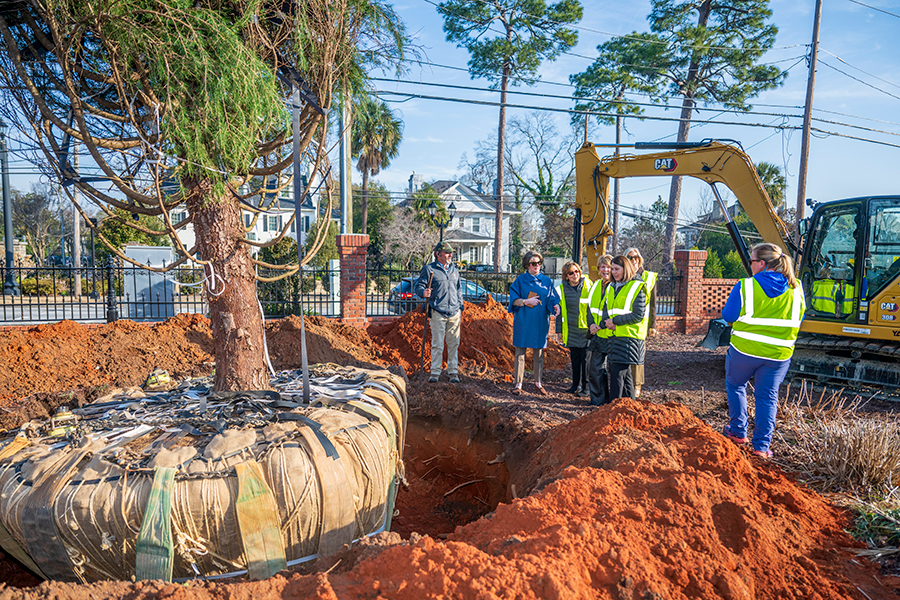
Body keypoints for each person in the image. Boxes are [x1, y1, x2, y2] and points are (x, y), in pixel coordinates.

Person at [721, 243, 805, 459]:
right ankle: (761, 448)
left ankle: (738, 432)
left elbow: (729, 316)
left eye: (751, 261)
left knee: (736, 385)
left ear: (762, 263)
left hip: (744, 350)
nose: (750, 265)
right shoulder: (797, 289)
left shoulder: (746, 286)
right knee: (767, 397)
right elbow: (800, 318)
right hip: (779, 355)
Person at [508, 250, 560, 396]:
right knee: (520, 353)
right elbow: (513, 300)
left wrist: (556, 306)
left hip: (540, 321)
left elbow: (552, 299)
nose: (536, 265)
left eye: (539, 263)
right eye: (533, 263)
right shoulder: (520, 280)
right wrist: (526, 301)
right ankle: (518, 384)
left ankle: (538, 383)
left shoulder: (547, 281)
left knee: (539, 353)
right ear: (527, 265)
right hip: (523, 320)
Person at [415, 241, 465, 383]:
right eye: (447, 252)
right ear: (438, 254)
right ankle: (435, 373)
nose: (450, 255)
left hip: (454, 312)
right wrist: (423, 292)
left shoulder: (454, 269)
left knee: (454, 343)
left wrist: (460, 304)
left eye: (451, 253)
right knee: (437, 344)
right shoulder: (429, 269)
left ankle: (453, 372)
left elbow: (458, 288)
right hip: (437, 311)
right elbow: (419, 285)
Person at [600, 255, 646, 400]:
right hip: (615, 336)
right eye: (612, 269)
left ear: (625, 268)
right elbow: (607, 310)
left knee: (617, 373)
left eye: (616, 269)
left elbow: (638, 314)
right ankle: (629, 405)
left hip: (629, 337)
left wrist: (615, 322)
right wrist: (605, 323)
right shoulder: (611, 287)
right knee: (625, 376)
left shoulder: (637, 286)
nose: (613, 272)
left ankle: (613, 406)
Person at [555, 261, 592, 396]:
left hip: (586, 330)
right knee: (575, 359)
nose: (575, 274)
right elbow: (559, 312)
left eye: (577, 271)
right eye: (571, 273)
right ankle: (575, 385)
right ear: (566, 276)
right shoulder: (561, 290)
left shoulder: (589, 286)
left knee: (586, 360)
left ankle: (586, 388)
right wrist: (559, 331)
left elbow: (593, 309)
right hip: (571, 330)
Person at [625, 248, 657, 397]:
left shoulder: (648, 277)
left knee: (638, 355)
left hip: (641, 324)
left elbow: (653, 305)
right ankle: (627, 384)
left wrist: (652, 325)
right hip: (625, 322)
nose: (633, 260)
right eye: (630, 257)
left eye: (636, 257)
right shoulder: (624, 276)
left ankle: (637, 385)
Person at [586, 255, 614, 406]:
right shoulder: (596, 285)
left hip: (610, 334)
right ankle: (598, 401)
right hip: (597, 335)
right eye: (603, 267)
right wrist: (591, 324)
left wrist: (600, 326)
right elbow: (590, 308)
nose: (605, 270)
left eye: (609, 267)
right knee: (595, 369)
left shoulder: (616, 286)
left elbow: (613, 311)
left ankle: (612, 401)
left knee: (613, 370)